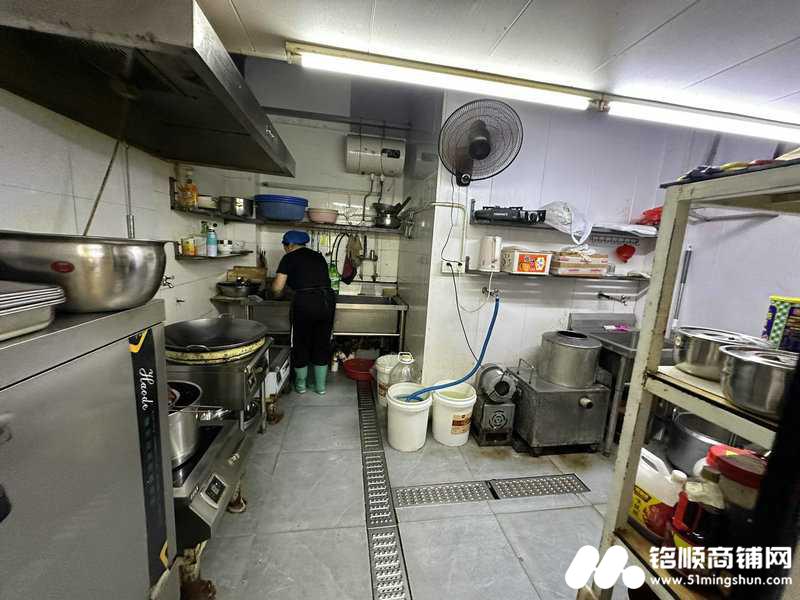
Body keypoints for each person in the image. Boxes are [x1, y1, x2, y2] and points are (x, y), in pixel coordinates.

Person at [272, 230, 335, 394]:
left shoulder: (288, 258)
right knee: (322, 342)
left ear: (290, 245)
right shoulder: (318, 256)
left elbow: (277, 288)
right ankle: (320, 387)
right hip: (327, 301)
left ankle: (301, 386)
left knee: (300, 342)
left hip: (305, 302)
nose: (284, 248)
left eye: (284, 245)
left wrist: (277, 295)